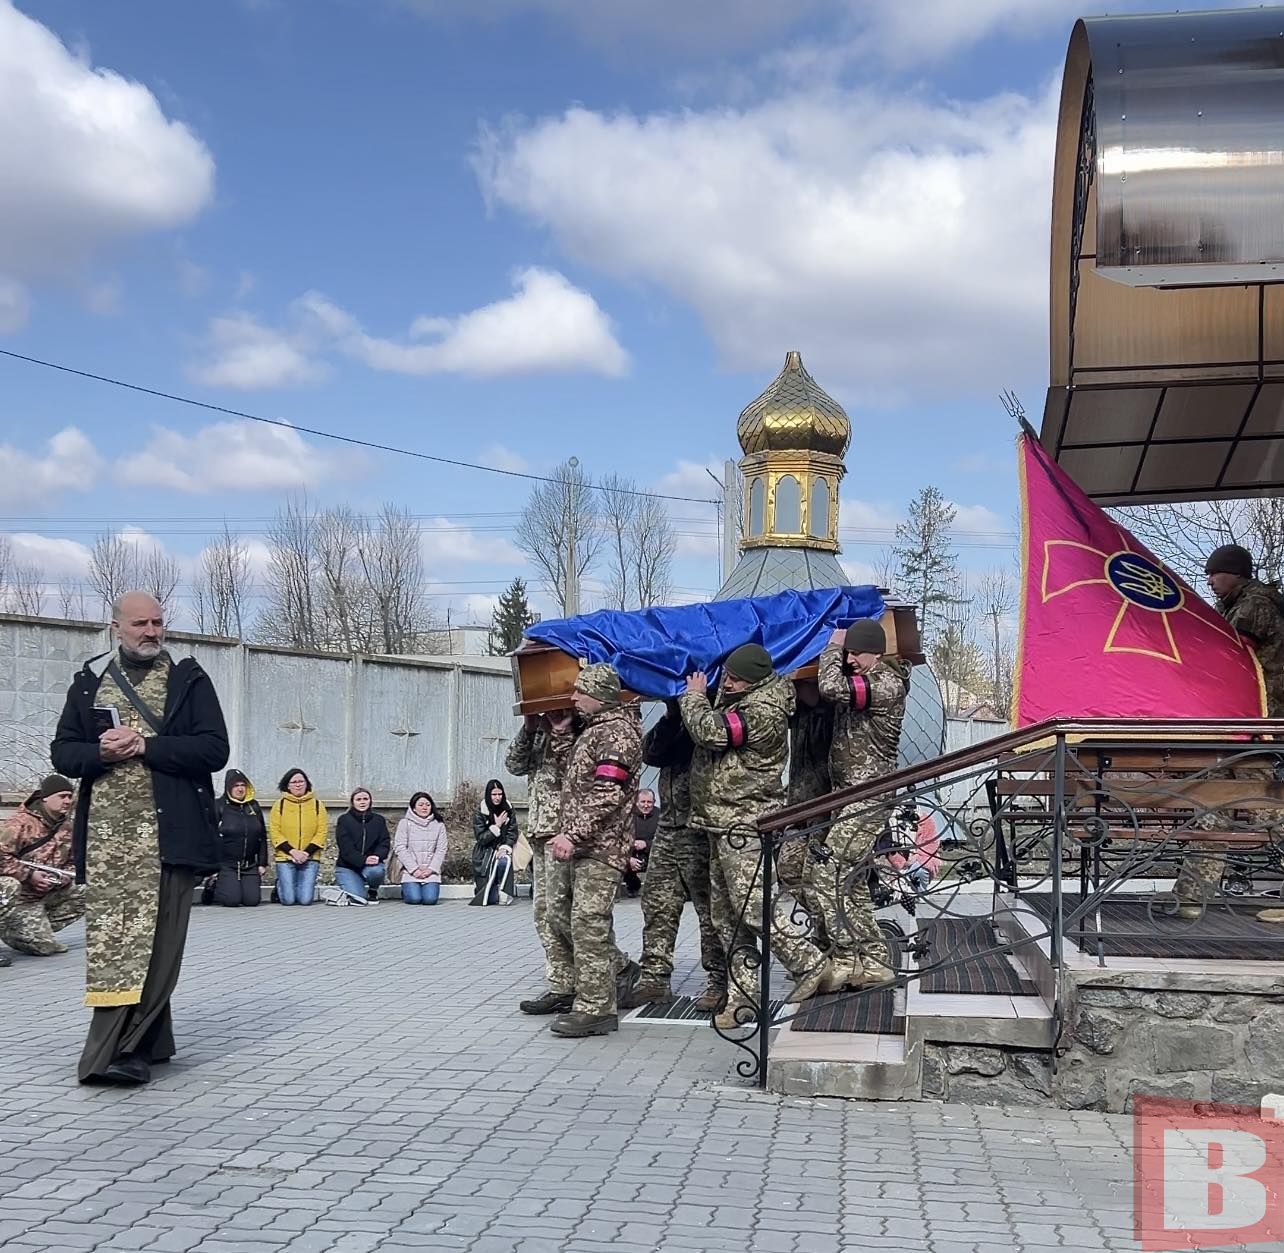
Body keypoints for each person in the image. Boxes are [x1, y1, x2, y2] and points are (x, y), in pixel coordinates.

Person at [51, 590, 229, 1085]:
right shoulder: (90, 685)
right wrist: (101, 754)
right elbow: (63, 753)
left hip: (170, 839)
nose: (151, 632)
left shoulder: (188, 681)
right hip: (111, 847)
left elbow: (214, 749)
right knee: (116, 946)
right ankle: (144, 1043)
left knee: (160, 945)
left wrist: (146, 745)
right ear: (116, 628)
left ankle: (121, 1050)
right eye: (139, 624)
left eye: (157, 622)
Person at [680, 643, 830, 1030]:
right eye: (725, 675)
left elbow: (712, 734)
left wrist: (694, 697)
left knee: (755, 907)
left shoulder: (762, 712)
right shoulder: (741, 698)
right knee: (725, 917)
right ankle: (743, 998)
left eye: (733, 678)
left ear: (753, 680)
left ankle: (810, 963)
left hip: (744, 825)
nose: (725, 682)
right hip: (719, 822)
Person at [1177, 545, 1284, 921]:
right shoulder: (1235, 605)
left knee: (1267, 808)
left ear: (1236, 572)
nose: (1209, 581)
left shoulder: (1256, 604)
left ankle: (1193, 895)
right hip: (1236, 723)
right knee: (1214, 799)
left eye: (1215, 573)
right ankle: (1191, 896)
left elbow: (1231, 652)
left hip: (1258, 722)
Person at [545, 663, 641, 1038]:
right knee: (568, 919)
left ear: (598, 695)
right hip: (586, 845)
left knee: (588, 923)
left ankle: (596, 1008)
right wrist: (561, 736)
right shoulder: (595, 731)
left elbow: (607, 792)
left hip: (601, 848)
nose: (573, 698)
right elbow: (574, 776)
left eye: (579, 692)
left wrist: (573, 834)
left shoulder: (617, 734)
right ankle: (613, 975)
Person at [814, 620, 911, 992]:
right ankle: (869, 960)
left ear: (876, 652)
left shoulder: (884, 684)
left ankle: (850, 957)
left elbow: (829, 687)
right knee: (850, 882)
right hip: (848, 796)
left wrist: (832, 647)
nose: (850, 659)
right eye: (849, 652)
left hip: (867, 798)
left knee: (828, 872)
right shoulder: (867, 678)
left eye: (856, 653)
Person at [626, 701, 726, 1011]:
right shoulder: (676, 720)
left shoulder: (711, 715)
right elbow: (651, 753)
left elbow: (709, 743)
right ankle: (654, 979)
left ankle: (719, 981)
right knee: (657, 904)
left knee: (710, 911)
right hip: (669, 826)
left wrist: (693, 708)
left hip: (699, 826)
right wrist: (671, 716)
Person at [0, 774, 86, 958]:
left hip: (45, 894)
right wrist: (29, 876)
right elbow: (1, 857)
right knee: (44, 948)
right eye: (62, 796)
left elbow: (72, 861)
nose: (67, 801)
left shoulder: (68, 827)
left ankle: (33, 928)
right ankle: (13, 926)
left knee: (88, 890)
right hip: (18, 897)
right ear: (45, 798)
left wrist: (63, 878)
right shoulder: (19, 825)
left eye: (70, 796)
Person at [778, 680, 835, 947]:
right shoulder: (798, 713)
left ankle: (828, 940)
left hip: (823, 808)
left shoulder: (831, 713)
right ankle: (824, 928)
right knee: (788, 869)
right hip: (798, 806)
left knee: (815, 875)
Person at [270, 769, 328, 906]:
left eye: (301, 781)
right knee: (288, 900)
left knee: (305, 900)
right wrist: (293, 851)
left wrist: (306, 853)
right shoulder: (279, 805)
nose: (298, 785)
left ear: (307, 784)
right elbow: (274, 832)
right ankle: (280, 885)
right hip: (286, 857)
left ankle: (289, 884)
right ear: (287, 785)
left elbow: (321, 832)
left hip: (310, 857)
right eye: (294, 782)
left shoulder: (317, 805)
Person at [213, 770, 267, 907]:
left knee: (252, 901)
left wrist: (262, 863)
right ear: (228, 788)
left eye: (243, 785)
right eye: (236, 785)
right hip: (227, 865)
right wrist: (212, 865)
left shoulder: (253, 806)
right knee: (232, 900)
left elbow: (262, 836)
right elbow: (211, 836)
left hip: (249, 865)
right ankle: (213, 887)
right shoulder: (219, 806)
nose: (240, 789)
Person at [335, 788, 390, 902]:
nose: (362, 802)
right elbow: (346, 848)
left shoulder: (379, 820)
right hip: (347, 866)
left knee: (377, 871)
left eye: (365, 799)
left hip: (370, 866)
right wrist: (363, 860)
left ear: (370, 801)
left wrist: (377, 856)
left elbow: (384, 842)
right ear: (353, 802)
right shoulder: (344, 820)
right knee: (359, 898)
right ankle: (351, 886)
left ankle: (373, 890)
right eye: (358, 799)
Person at [470, 779, 517, 906]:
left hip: (502, 848)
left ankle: (503, 888)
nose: (497, 798)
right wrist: (496, 826)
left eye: (500, 794)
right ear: (488, 795)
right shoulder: (481, 811)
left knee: (504, 860)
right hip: (484, 853)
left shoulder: (508, 809)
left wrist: (504, 847)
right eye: (494, 795)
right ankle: (485, 887)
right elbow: (481, 838)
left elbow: (512, 832)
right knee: (489, 899)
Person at [395, 792, 447, 904]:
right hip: (410, 871)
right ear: (413, 808)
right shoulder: (405, 823)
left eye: (427, 805)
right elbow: (400, 847)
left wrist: (431, 869)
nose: (424, 807)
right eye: (421, 805)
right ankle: (406, 890)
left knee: (430, 900)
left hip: (430, 871)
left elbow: (441, 849)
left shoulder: (439, 825)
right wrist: (414, 869)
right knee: (414, 899)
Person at [622, 788, 659, 896]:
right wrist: (628, 857)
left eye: (649, 802)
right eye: (643, 802)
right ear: (636, 802)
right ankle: (632, 886)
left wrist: (646, 844)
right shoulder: (627, 816)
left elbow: (666, 840)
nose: (646, 805)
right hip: (630, 853)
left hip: (652, 853)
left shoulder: (660, 816)